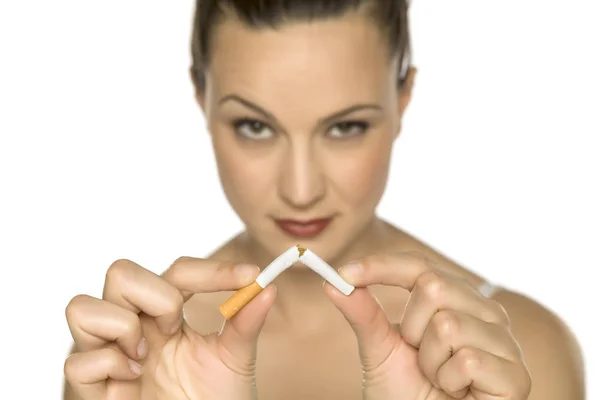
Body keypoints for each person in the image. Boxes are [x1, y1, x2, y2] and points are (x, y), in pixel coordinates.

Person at [62, 1, 585, 399]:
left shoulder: (518, 352)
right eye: (254, 126)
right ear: (201, 97)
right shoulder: (132, 360)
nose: (301, 189)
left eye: (345, 127)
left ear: (403, 98)